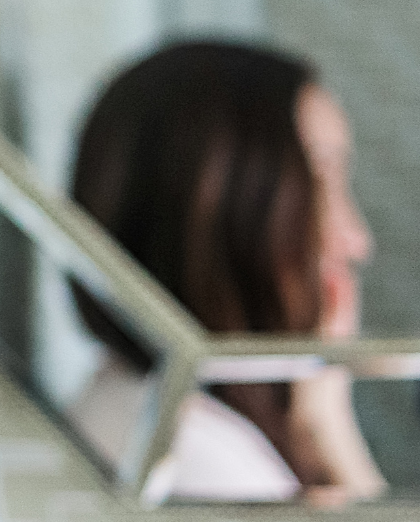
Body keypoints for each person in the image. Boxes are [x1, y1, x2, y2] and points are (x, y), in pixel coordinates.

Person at [68, 41, 383, 503]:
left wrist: (325, 418)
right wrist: (332, 433)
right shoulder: (193, 465)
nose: (356, 240)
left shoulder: (148, 413)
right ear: (219, 209)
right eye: (320, 179)